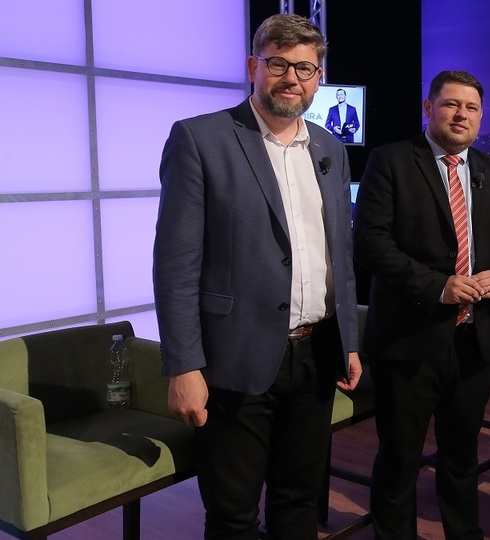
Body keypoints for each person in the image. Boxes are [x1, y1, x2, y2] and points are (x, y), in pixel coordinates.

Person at [153, 14, 362, 539]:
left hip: (316, 355)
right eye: (278, 64)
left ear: (318, 78)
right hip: (234, 358)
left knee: (299, 503)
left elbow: (339, 256)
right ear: (254, 67)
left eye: (305, 68)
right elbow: (175, 266)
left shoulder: (330, 148)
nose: (292, 78)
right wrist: (183, 365)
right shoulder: (200, 138)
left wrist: (350, 341)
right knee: (233, 516)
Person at [353, 69, 490, 540]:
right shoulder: (391, 161)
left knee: (461, 458)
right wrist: (438, 286)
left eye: (471, 107)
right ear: (428, 108)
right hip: (409, 341)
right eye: (451, 104)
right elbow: (370, 242)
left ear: (481, 116)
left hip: (473, 341)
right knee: (400, 460)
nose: (461, 115)